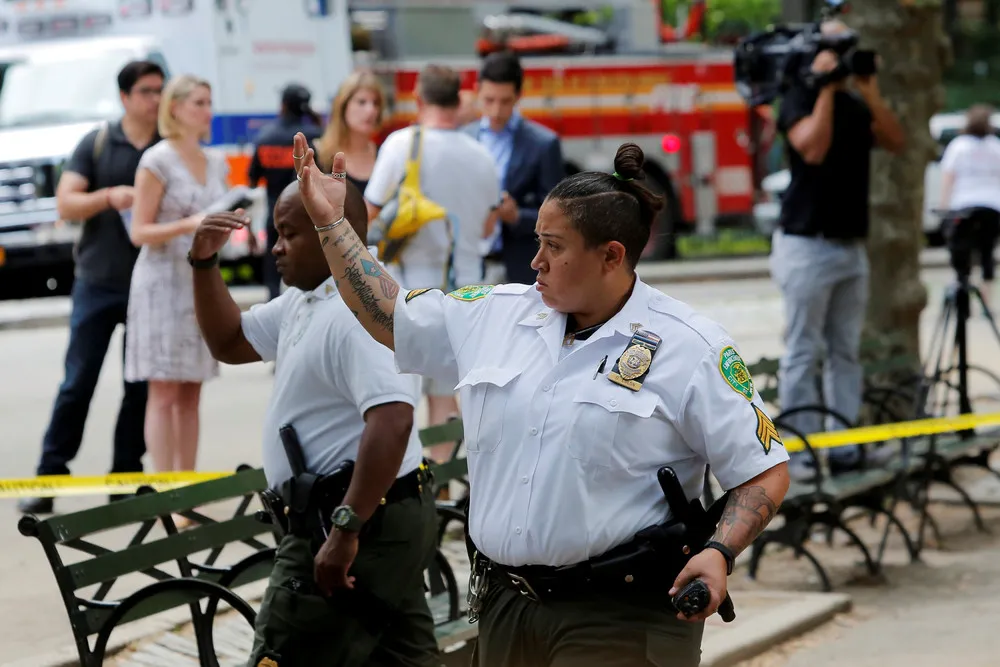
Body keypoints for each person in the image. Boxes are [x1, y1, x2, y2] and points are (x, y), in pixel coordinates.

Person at [292, 132, 791, 666]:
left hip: (620, 615)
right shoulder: (497, 312)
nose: (536, 261)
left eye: (554, 246)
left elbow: (762, 471)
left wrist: (719, 552)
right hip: (507, 607)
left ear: (611, 256)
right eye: (537, 241)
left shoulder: (689, 346)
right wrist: (331, 223)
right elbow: (390, 314)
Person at [190, 180, 439, 667]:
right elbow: (229, 342)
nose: (276, 247)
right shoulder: (311, 298)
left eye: (288, 234)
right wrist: (203, 263)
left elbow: (393, 419)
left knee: (280, 655)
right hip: (365, 521)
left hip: (346, 524)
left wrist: (345, 529)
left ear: (330, 234)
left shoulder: (356, 309)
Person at [18, 60, 165, 515]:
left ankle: (125, 477)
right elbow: (66, 201)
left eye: (160, 90)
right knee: (77, 382)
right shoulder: (98, 143)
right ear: (125, 97)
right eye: (146, 91)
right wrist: (108, 197)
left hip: (149, 285)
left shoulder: (166, 147)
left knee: (139, 386)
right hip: (97, 283)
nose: (155, 99)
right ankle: (49, 477)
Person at [769, 19, 905, 478]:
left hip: (850, 247)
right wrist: (825, 89)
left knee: (845, 352)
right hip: (806, 245)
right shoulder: (798, 97)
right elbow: (812, 149)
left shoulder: (855, 101)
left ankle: (845, 448)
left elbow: (896, 140)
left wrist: (868, 91)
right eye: (835, 49)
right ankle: (801, 454)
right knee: (804, 352)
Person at [364, 64, 501, 457]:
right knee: (448, 390)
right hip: (470, 291)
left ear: (418, 99)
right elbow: (490, 225)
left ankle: (417, 482)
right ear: (459, 101)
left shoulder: (401, 144)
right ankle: (443, 475)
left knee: (402, 391)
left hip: (412, 289)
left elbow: (370, 212)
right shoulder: (482, 156)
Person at [126, 74, 231, 483]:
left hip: (200, 279)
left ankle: (186, 485)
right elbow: (139, 231)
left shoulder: (215, 160)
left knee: (192, 388)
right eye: (199, 102)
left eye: (209, 102)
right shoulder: (157, 160)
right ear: (176, 107)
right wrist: (189, 223)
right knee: (164, 390)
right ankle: (164, 486)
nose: (207, 110)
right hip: (161, 281)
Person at [465, 50, 565, 285]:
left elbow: (560, 216)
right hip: (469, 267)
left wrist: (517, 216)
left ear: (519, 96)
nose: (496, 111)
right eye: (489, 100)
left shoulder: (543, 144)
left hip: (521, 269)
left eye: (505, 101)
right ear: (477, 91)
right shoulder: (464, 139)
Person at [248, 83, 324, 301]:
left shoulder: (265, 137)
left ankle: (273, 302)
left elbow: (253, 179)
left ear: (282, 105)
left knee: (273, 263)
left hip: (274, 211)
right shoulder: (314, 135)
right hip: (305, 215)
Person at [938, 103, 1000, 312]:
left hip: (963, 205)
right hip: (991, 206)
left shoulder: (959, 145)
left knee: (960, 249)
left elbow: (948, 177)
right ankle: (986, 298)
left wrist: (944, 205)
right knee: (986, 252)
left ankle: (962, 293)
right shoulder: (995, 146)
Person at [315, 70, 386, 194]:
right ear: (343, 106)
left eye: (376, 103)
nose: (371, 110)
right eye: (361, 102)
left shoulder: (385, 155)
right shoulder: (318, 155)